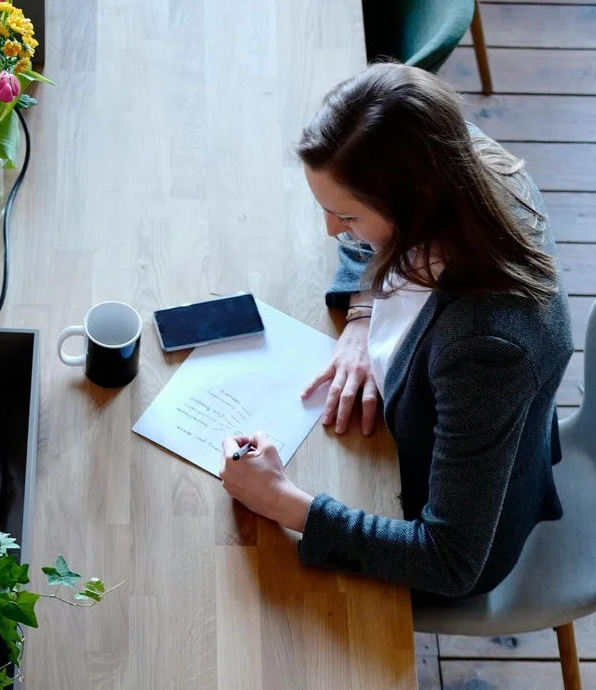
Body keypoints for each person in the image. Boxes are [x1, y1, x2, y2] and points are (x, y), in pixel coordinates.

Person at [219, 63, 570, 602]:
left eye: (347, 215)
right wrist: (363, 315)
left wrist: (285, 501)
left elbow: (450, 560)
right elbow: (365, 245)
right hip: (416, 439)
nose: (332, 231)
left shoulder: (487, 350)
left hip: (442, 531)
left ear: (418, 200)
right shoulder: (452, 157)